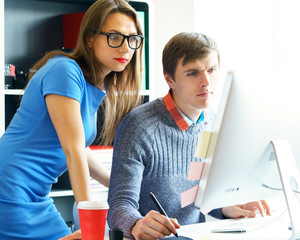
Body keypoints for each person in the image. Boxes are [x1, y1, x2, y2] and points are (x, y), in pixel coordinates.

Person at [0, 0, 144, 239]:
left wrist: (123, 185)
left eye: (132, 39)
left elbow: (82, 150)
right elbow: (73, 149)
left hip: (35, 195)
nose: (125, 48)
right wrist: (91, 223)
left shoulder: (93, 84)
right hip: (9, 190)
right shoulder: (64, 71)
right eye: (115, 37)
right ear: (89, 38)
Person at [107, 32, 271, 240]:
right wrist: (136, 224)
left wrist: (225, 206)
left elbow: (195, 194)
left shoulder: (214, 121)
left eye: (211, 70)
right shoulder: (139, 126)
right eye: (193, 73)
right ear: (169, 79)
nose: (206, 82)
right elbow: (119, 207)